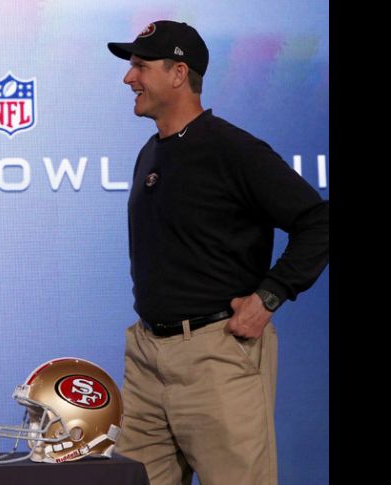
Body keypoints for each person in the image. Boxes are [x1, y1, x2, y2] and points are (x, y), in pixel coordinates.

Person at [107, 21, 329, 485]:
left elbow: (318, 221)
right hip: (147, 361)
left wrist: (269, 297)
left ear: (178, 73)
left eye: (140, 66)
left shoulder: (234, 149)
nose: (129, 78)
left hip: (216, 356)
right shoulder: (151, 152)